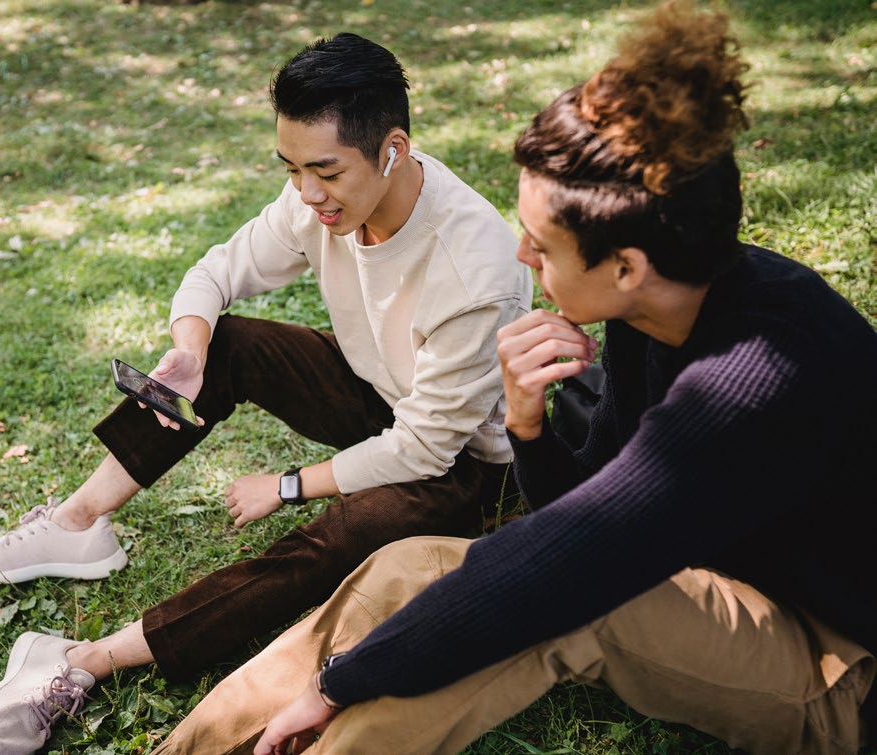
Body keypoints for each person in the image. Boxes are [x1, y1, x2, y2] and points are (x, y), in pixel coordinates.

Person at [148, 4, 877, 754]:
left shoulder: (753, 374)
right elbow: (579, 502)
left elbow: (569, 558)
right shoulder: (648, 312)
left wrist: (338, 684)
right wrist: (527, 424)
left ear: (625, 266)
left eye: (543, 244)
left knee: (551, 603)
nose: (522, 256)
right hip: (700, 578)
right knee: (409, 565)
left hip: (836, 662)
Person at [0, 32, 532, 755]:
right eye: (291, 168)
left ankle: (84, 658)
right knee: (228, 341)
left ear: (392, 149)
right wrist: (192, 351)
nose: (307, 193)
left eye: (324, 171)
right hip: (382, 395)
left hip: (468, 464)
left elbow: (424, 446)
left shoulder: (471, 265)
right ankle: (80, 523)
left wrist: (288, 485)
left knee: (344, 536)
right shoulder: (317, 201)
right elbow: (217, 270)